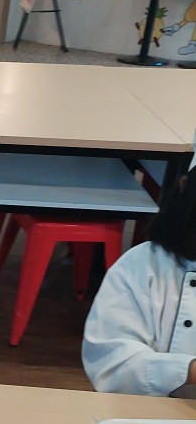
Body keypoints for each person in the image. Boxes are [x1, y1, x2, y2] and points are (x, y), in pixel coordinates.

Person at [82, 165, 196, 395]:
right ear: (185, 187)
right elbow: (112, 365)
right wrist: (189, 371)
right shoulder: (144, 265)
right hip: (154, 412)